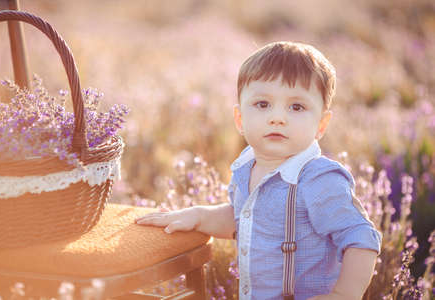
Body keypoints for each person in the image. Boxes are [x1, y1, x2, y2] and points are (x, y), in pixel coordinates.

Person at [135, 41, 382, 300]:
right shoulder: (246, 165)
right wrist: (199, 216)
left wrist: (344, 294)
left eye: (296, 107)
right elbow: (245, 219)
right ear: (240, 119)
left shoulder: (319, 180)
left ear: (321, 124)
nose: (278, 117)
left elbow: (360, 237)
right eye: (263, 104)